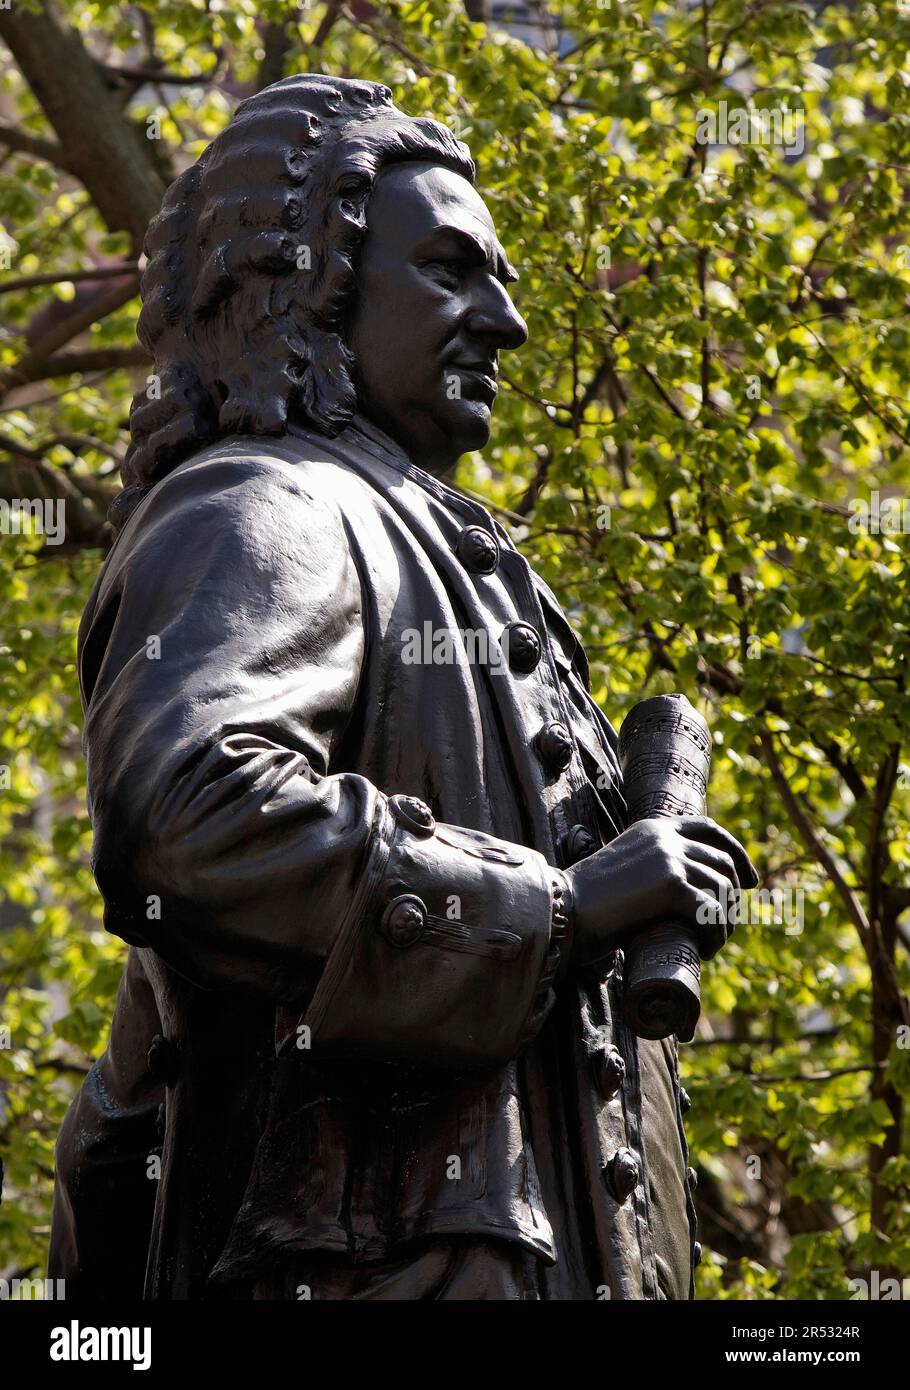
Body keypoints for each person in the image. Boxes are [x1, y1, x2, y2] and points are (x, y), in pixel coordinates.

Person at [50, 74, 756, 1301]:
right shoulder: (267, 506)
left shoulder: (454, 556)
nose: (506, 323)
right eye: (448, 271)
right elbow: (191, 815)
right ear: (311, 289)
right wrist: (561, 906)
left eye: (502, 280)